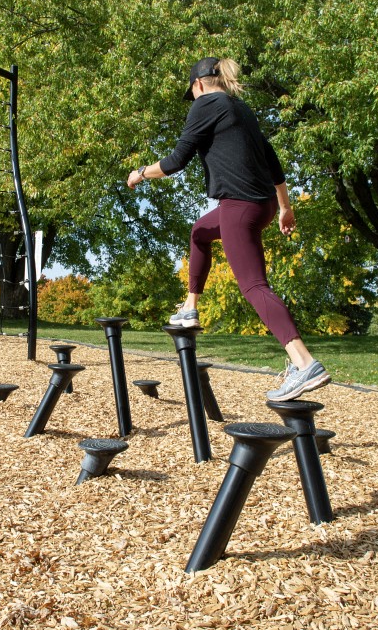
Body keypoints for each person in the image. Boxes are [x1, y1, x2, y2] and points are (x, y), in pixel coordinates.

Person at [126, 57, 330, 401]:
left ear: (199, 85)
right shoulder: (240, 109)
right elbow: (272, 158)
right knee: (200, 232)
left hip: (238, 206)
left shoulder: (206, 104)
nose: (193, 101)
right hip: (260, 203)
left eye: (191, 94)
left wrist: (142, 172)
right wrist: (284, 207)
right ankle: (190, 308)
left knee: (253, 286)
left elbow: (176, 161)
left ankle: (304, 362)